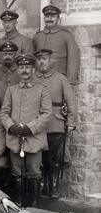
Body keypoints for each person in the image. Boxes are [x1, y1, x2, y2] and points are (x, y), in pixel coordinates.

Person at [0, 53, 52, 207]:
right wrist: (11, 126)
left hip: (34, 139)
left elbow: (47, 114)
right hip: (15, 139)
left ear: (33, 70)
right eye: (21, 67)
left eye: (27, 67)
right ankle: (19, 202)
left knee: (34, 172)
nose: (24, 70)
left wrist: (30, 128)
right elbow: (4, 113)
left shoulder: (43, 90)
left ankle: (33, 204)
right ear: (17, 71)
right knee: (17, 172)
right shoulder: (11, 90)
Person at [34, 49, 77, 198]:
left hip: (55, 124)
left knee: (55, 160)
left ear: (50, 60)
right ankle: (40, 188)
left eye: (44, 59)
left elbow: (71, 100)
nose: (41, 62)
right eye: (39, 59)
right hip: (38, 126)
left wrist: (71, 121)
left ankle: (53, 188)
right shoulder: (34, 79)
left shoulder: (60, 79)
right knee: (40, 159)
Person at [33, 5, 80, 86]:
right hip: (39, 80)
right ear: (44, 19)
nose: (49, 19)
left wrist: (70, 82)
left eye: (53, 16)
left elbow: (73, 60)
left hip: (59, 80)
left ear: (58, 19)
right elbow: (32, 58)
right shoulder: (38, 36)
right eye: (47, 16)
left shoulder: (66, 36)